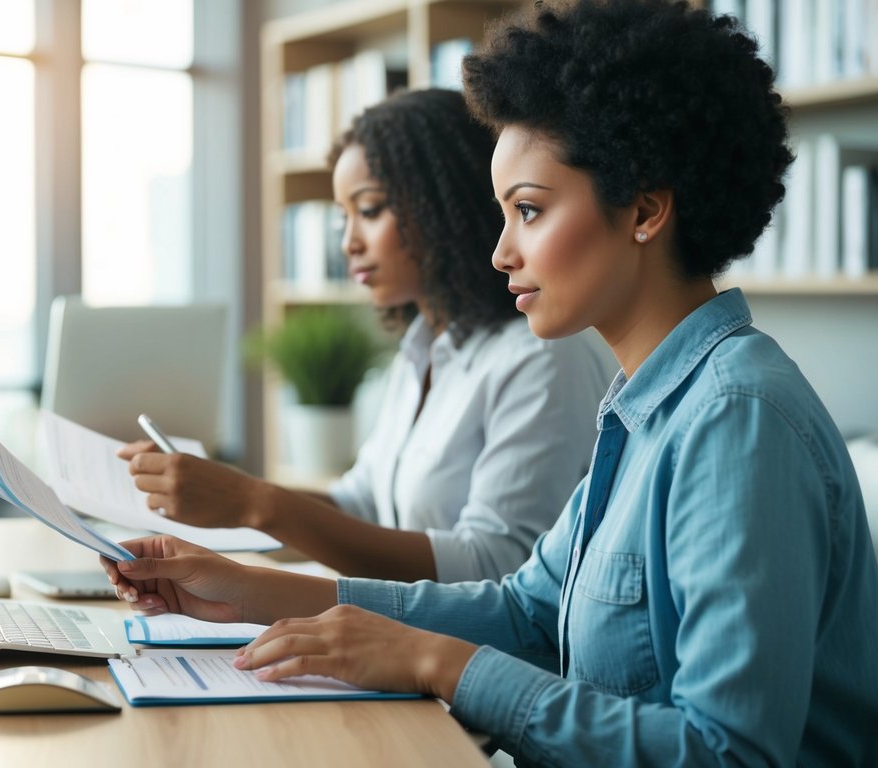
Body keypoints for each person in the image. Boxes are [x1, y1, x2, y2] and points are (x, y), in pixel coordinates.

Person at [102, 1, 878, 763]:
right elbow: (524, 611)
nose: (501, 252)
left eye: (528, 211)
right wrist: (248, 589)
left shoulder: (735, 419)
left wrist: (435, 662)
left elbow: (725, 754)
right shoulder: (645, 407)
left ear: (644, 210)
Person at [121, 88, 610, 582]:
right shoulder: (422, 350)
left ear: (443, 204)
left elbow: (496, 566)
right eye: (342, 217)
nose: (347, 243)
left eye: (370, 210)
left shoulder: (542, 357)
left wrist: (253, 504)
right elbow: (360, 504)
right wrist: (220, 494)